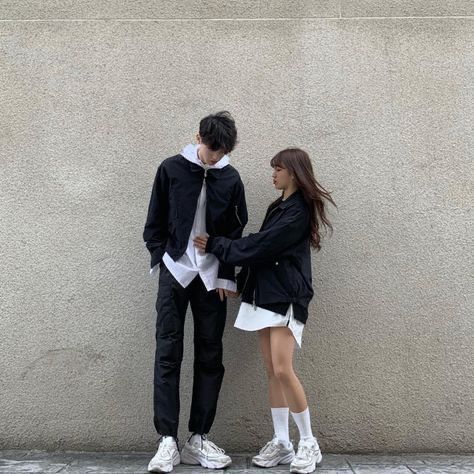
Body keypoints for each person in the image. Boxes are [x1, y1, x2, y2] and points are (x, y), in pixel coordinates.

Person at [194, 148, 335, 474]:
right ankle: (282, 442)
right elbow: (261, 251)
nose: (273, 174)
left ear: (294, 173)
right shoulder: (279, 207)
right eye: (274, 169)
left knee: (284, 369)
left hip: (285, 296)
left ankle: (309, 443)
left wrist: (217, 244)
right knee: (272, 369)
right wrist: (241, 283)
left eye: (278, 169)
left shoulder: (296, 212)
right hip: (263, 296)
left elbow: (262, 245)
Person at [143, 111, 248, 472]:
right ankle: (167, 440)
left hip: (211, 278)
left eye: (221, 151)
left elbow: (236, 229)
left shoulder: (231, 178)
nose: (214, 156)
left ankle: (197, 438)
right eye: (210, 148)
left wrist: (226, 276)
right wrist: (160, 256)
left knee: (210, 356)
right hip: (174, 271)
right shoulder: (171, 169)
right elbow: (154, 220)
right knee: (168, 353)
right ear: (198, 137)